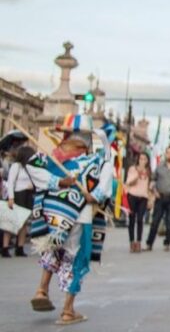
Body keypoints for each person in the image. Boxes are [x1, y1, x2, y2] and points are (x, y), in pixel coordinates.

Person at [26, 114, 113, 326]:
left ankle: (42, 289)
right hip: (80, 215)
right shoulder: (99, 160)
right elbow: (105, 184)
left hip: (54, 214)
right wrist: (95, 196)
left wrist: (58, 182)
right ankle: (67, 310)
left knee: (53, 249)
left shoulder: (53, 158)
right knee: (76, 259)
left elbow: (32, 167)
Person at [145, 145, 170, 252]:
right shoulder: (160, 166)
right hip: (160, 197)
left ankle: (167, 243)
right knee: (155, 222)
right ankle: (149, 243)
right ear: (165, 154)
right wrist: (154, 191)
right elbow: (153, 180)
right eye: (168, 153)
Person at [3, 144, 36, 257]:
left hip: (27, 194)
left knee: (24, 223)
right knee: (12, 221)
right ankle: (5, 247)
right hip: (17, 194)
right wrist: (11, 198)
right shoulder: (16, 166)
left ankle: (20, 247)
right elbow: (10, 182)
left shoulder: (30, 167)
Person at [124, 151, 151, 253]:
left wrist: (150, 198)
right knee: (131, 219)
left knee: (140, 219)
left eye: (144, 159)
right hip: (132, 196)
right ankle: (132, 242)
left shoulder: (148, 171)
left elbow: (149, 185)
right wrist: (138, 173)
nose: (142, 161)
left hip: (143, 197)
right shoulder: (132, 169)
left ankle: (138, 242)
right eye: (141, 159)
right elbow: (129, 182)